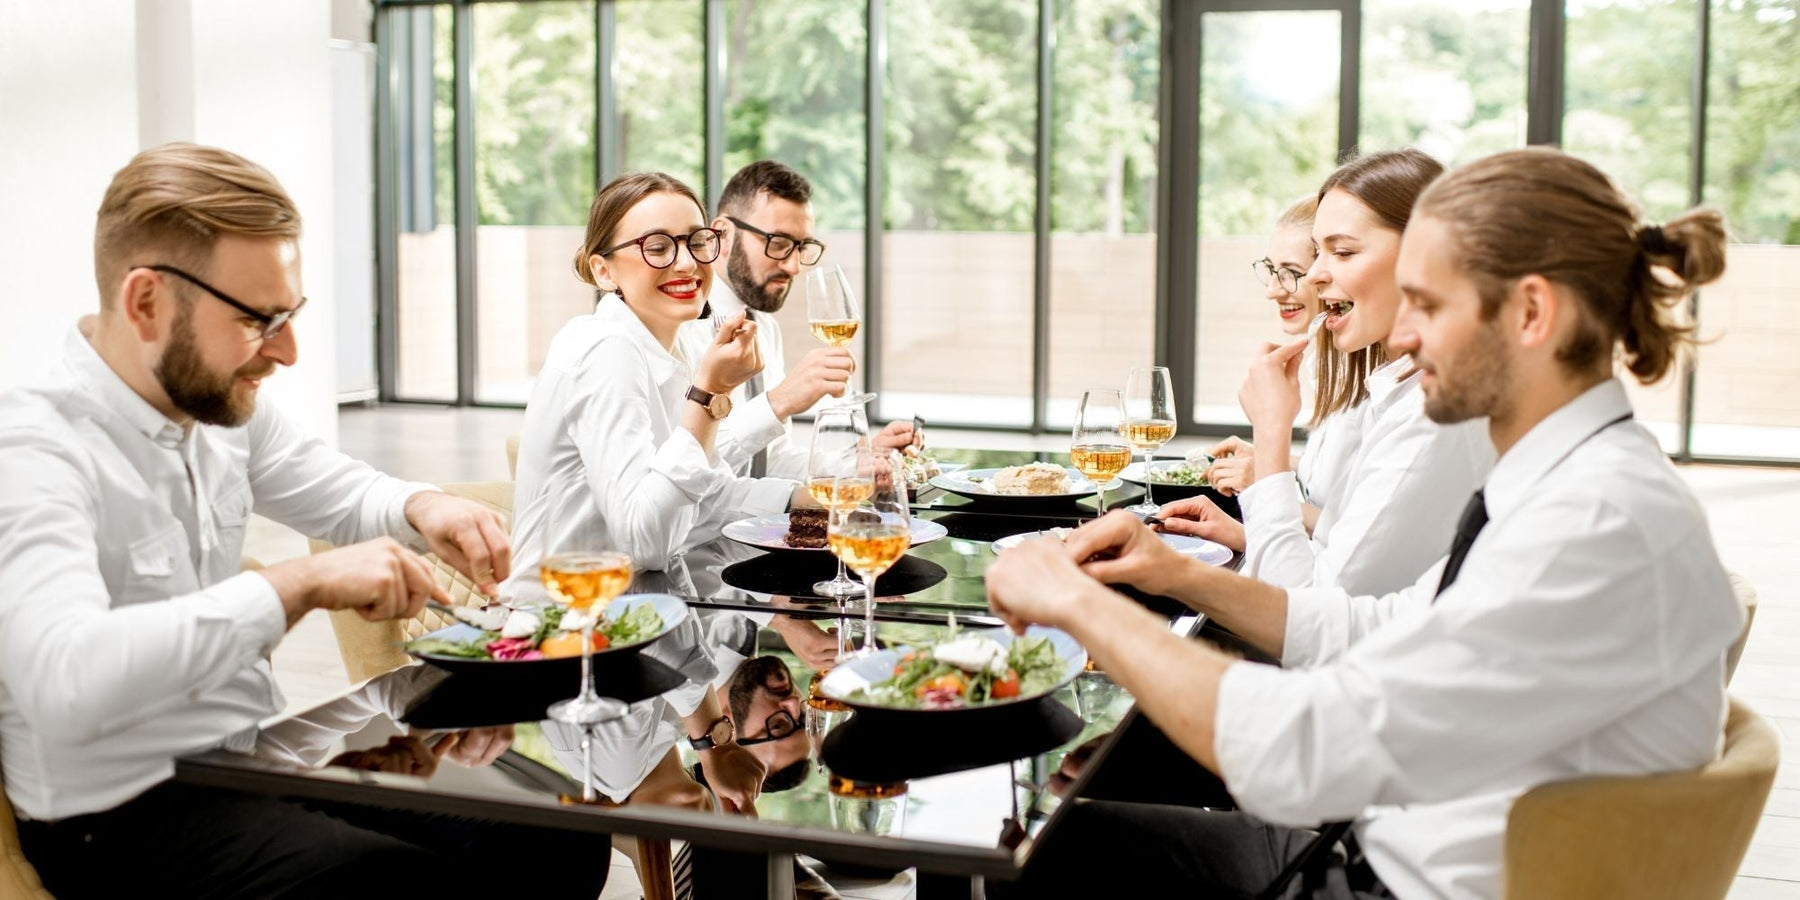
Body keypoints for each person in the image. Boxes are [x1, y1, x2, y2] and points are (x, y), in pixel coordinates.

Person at [985, 146, 1742, 899]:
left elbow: (1303, 753)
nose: (1403, 340)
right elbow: (1369, 626)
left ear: (1532, 313)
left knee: (1038, 846)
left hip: (1396, 884)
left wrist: (1077, 602)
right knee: (1061, 817)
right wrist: (1173, 571)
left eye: (1431, 306)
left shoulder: (1593, 527)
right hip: (1389, 850)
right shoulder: (1568, 484)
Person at [0, 143, 608, 898]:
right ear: (147, 302)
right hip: (114, 817)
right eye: (261, 319)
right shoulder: (32, 449)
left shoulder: (214, 405)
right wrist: (302, 583)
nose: (287, 350)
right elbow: (64, 677)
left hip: (242, 764)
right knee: (391, 883)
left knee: (558, 840)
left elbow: (336, 489)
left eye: (291, 313)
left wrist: (425, 507)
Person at [1168, 150, 1494, 598]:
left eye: (1341, 252)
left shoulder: (1434, 413)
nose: (1315, 277)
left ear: (1427, 257)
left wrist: (1271, 437)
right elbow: (1339, 551)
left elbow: (1305, 613)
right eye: (1318, 253)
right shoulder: (1395, 390)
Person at [507, 170, 800, 586]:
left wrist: (808, 500)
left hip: (645, 612)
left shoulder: (674, 347)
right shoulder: (605, 348)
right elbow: (646, 540)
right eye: (657, 247)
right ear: (604, 271)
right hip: (566, 628)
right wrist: (710, 393)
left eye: (696, 242)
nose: (687, 263)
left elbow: (704, 496)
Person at [687, 160, 912, 479]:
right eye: (778, 244)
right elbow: (684, 471)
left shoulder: (764, 327)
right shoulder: (679, 328)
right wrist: (778, 402)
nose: (794, 267)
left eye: (802, 247)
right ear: (722, 234)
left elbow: (770, 463)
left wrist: (858, 462)